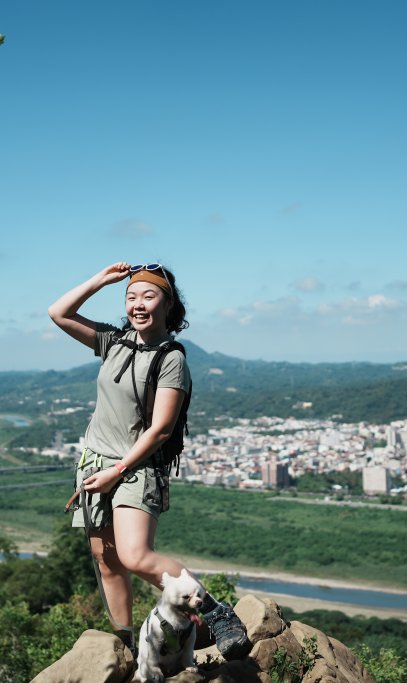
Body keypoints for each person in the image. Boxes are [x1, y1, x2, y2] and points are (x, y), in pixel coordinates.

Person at [48, 261, 250, 660]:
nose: (138, 305)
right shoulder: (113, 341)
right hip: (94, 464)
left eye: (149, 296)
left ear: (168, 304)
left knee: (135, 555)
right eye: (131, 297)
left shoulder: (172, 358)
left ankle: (215, 614)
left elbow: (159, 429)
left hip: (134, 468)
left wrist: (116, 471)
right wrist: (101, 281)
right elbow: (59, 313)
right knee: (107, 562)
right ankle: (122, 644)